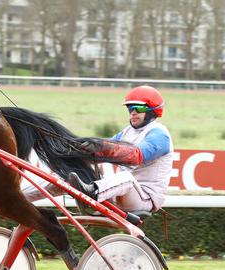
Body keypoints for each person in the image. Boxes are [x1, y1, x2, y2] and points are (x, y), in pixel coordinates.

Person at [24, 85, 173, 213]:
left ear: (153, 110)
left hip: (144, 199)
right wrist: (77, 152)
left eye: (138, 108)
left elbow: (136, 156)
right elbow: (104, 150)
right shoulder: (127, 131)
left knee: (126, 178)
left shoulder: (159, 134)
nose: (133, 112)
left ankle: (91, 193)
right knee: (68, 174)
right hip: (120, 194)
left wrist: (99, 146)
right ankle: (21, 197)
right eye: (130, 108)